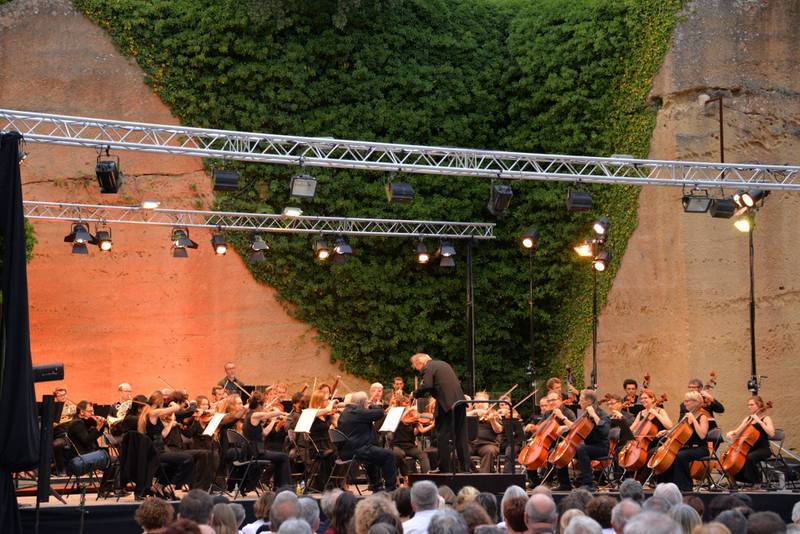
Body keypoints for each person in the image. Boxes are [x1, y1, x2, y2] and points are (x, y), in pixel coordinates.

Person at [411, 353, 469, 472]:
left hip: (446, 405)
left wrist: (414, 394)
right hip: (460, 402)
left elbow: (427, 385)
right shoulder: (444, 364)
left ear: (420, 362)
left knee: (442, 436)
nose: (419, 371)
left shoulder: (428, 367)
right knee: (461, 436)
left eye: (417, 367)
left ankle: (444, 469)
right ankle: (465, 469)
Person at [337, 391, 397, 492]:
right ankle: (390, 489)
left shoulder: (346, 412)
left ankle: (376, 485)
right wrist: (373, 405)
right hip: (357, 450)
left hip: (346, 451)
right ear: (362, 403)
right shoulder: (357, 412)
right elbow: (380, 413)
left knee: (373, 453)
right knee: (389, 455)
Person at [555, 389, 610, 492]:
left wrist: (594, 415)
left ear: (588, 402)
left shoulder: (601, 414)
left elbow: (605, 431)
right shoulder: (585, 414)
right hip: (588, 446)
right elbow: (577, 427)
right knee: (562, 451)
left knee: (581, 449)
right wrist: (565, 427)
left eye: (581, 400)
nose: (579, 402)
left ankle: (589, 484)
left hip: (601, 447)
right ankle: (565, 484)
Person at [656, 391, 709, 492]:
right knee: (668, 455)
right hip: (687, 447)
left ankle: (684, 486)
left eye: (687, 401)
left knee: (680, 456)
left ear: (696, 402)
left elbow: (702, 435)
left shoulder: (703, 417)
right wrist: (667, 432)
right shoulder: (685, 416)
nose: (684, 403)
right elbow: (677, 431)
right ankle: (666, 485)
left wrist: (693, 419)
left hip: (700, 448)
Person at [242, 394, 292, 488]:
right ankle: (285, 487)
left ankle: (278, 487)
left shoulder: (250, 416)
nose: (264, 407)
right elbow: (274, 413)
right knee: (284, 457)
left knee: (280, 458)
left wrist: (273, 421)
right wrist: (276, 410)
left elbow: (264, 433)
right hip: (255, 452)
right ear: (259, 405)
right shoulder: (254, 415)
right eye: (264, 405)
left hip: (255, 450)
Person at [724, 395, 775, 486]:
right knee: (729, 458)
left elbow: (771, 433)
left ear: (759, 405)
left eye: (752, 405)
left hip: (763, 449)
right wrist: (731, 433)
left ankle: (756, 483)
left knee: (750, 458)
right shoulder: (748, 419)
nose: (749, 407)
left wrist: (759, 421)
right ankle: (734, 483)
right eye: (748, 405)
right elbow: (737, 431)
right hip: (748, 448)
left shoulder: (765, 418)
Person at [468, 391, 503, 473]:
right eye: (477, 402)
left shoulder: (493, 414)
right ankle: (473, 472)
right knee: (460, 451)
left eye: (482, 402)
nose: (480, 404)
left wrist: (492, 421)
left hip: (487, 444)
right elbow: (461, 417)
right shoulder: (471, 415)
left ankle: (483, 476)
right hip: (470, 443)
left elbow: (499, 430)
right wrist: (474, 412)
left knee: (489, 451)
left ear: (487, 404)